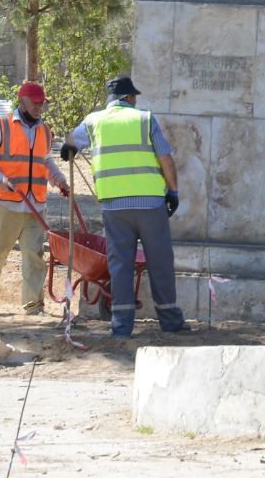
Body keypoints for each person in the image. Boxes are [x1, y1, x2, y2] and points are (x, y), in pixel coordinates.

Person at [60, 75, 188, 338]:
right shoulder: (144, 119)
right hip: (151, 205)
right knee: (160, 261)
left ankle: (121, 326)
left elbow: (70, 143)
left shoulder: (94, 121)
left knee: (120, 265)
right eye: (134, 96)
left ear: (110, 100)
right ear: (129, 97)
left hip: (114, 206)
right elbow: (165, 158)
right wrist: (173, 191)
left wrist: (68, 149)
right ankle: (170, 321)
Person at [0, 82, 70, 315]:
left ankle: (34, 306)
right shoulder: (2, 126)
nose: (39, 106)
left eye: (42, 102)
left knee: (35, 258)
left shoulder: (44, 130)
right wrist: (0, 178)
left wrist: (59, 179)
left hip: (36, 205)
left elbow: (45, 161)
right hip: (6, 203)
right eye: (35, 102)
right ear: (21, 101)